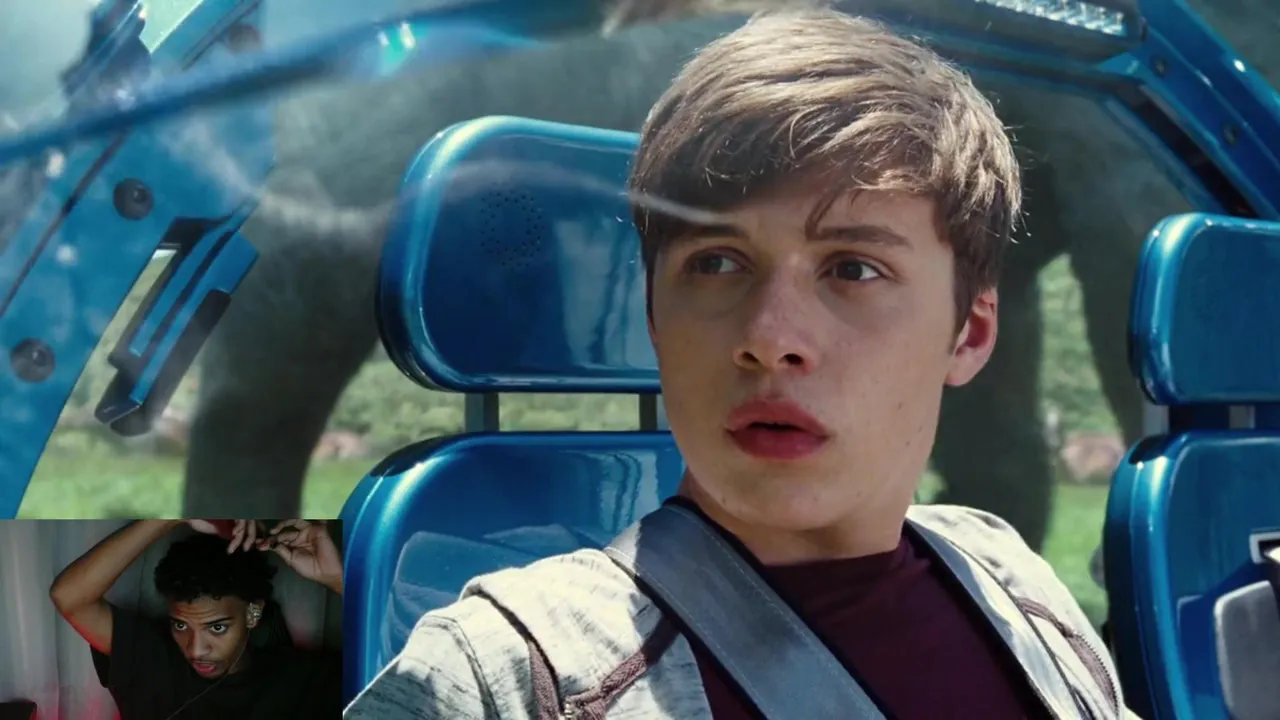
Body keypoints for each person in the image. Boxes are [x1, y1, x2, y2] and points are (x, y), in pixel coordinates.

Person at [344, 9, 1138, 719]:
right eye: (717, 263)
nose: (769, 336)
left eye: (853, 269)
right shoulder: (501, 678)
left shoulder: (1015, 584)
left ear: (968, 334)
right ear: (655, 318)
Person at [49, 519, 343, 719]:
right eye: (181, 625)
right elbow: (69, 597)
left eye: (217, 627)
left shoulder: (304, 681)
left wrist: (340, 581)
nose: (196, 649)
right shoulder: (151, 658)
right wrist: (169, 515)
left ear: (253, 613)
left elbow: (374, 692)